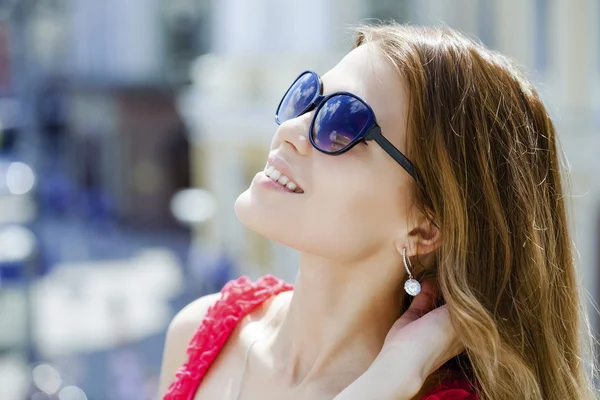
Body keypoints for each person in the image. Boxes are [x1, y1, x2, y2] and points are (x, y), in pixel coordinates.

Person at [158, 23, 599, 399]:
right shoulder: (201, 333)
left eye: (341, 123)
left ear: (426, 226)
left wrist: (388, 383)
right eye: (307, 99)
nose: (291, 131)